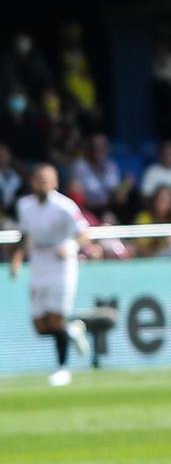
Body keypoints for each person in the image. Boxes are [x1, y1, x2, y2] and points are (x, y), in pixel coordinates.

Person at [9, 164, 95, 387]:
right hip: (39, 264)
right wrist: (17, 259)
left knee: (56, 318)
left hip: (62, 265)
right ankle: (72, 329)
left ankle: (62, 369)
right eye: (38, 180)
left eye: (46, 180)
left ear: (55, 183)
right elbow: (24, 235)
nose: (42, 184)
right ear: (32, 182)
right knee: (41, 326)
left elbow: (84, 233)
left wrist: (71, 247)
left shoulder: (64, 206)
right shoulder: (24, 206)